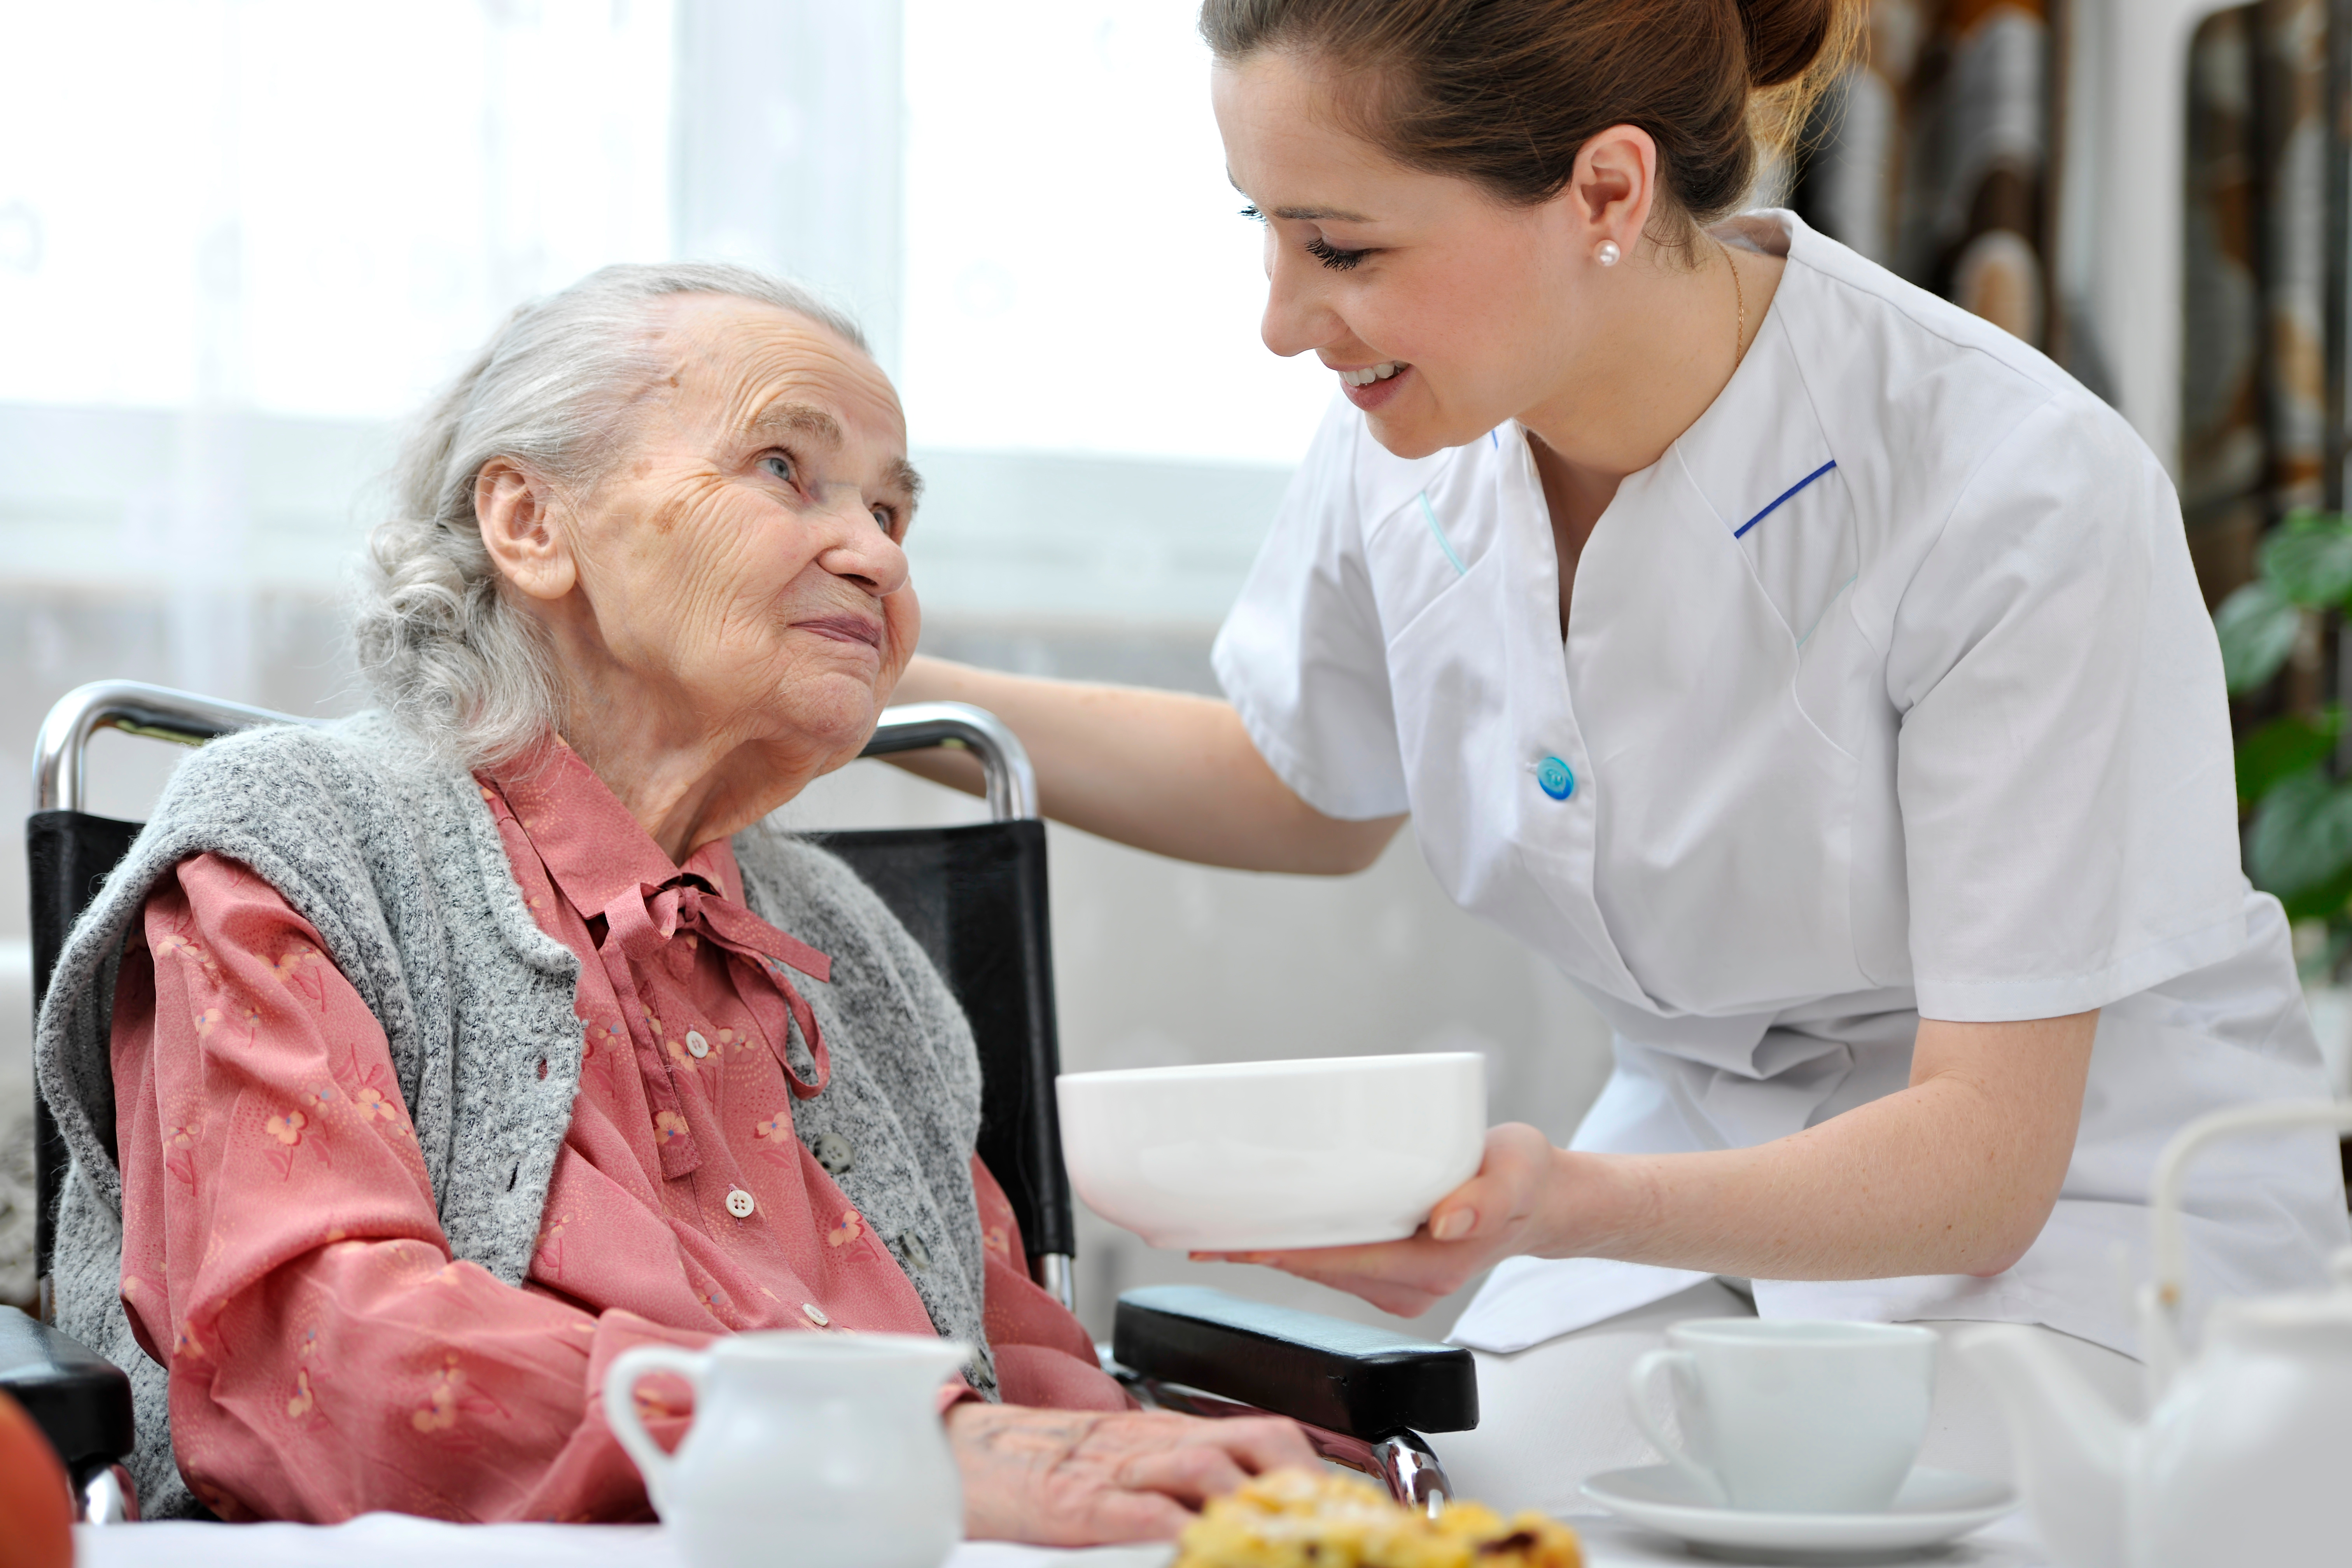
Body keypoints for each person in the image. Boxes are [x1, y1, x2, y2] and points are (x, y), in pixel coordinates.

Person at [889, 0, 2352, 1511]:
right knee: (1445, 1506)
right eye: (1264, 227)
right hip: (1687, 1192)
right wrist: (871, 690)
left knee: (1799, 1529)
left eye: (1341, 249)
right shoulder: (1418, 426)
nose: (1280, 318)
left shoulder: (2012, 492)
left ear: (1606, 192)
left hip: (2079, 1254)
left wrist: (1555, 1205)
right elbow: (1302, 788)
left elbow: (1984, 1160)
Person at [33, 262, 1312, 1533]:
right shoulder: (301, 847)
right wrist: (892, 1457)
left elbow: (1013, 1364)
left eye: (893, 512)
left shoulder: (852, 953)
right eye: (783, 470)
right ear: (532, 525)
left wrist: (1237, 1494)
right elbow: (312, 1360)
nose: (873, 552)